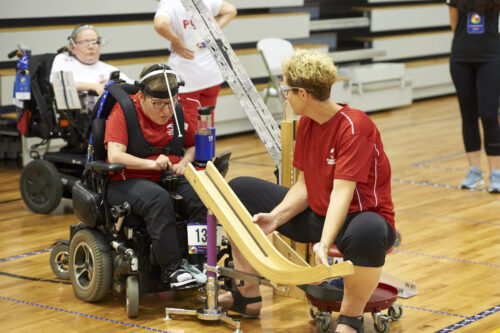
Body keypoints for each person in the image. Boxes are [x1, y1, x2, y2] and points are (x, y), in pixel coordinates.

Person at [220, 50, 396, 333]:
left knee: (369, 231)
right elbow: (304, 185)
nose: (284, 95)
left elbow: (342, 193)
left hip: (361, 217)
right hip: (320, 213)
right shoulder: (307, 125)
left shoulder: (355, 126)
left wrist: (324, 244)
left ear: (302, 93)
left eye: (286, 89)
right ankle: (246, 296)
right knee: (239, 191)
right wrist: (275, 218)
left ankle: (350, 320)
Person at [104, 64, 206, 288]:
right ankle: (173, 269)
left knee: (201, 193)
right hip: (126, 179)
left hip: (167, 175)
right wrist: (151, 165)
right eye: (157, 104)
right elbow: (114, 155)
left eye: (171, 103)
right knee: (158, 199)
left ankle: (200, 261)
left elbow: (192, 146)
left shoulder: (177, 112)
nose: (166, 111)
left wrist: (185, 163)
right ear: (141, 96)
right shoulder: (124, 111)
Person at [153, 0, 236, 131]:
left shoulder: (169, 4)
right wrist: (212, 31)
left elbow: (160, 24)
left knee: (191, 130)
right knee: (207, 125)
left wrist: (176, 41)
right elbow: (231, 10)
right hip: (211, 74)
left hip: (187, 78)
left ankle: (197, 151)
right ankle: (208, 151)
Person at [447, 0, 500, 192]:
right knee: (468, 115)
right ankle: (474, 171)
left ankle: (496, 173)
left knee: (489, 114)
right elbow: (455, 26)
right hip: (461, 58)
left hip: (491, 57)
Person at [50, 24, 133, 97]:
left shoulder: (110, 70)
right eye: (85, 42)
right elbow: (57, 85)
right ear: (72, 47)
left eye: (95, 42)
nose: (91, 47)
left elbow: (132, 87)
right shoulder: (62, 60)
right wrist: (94, 87)